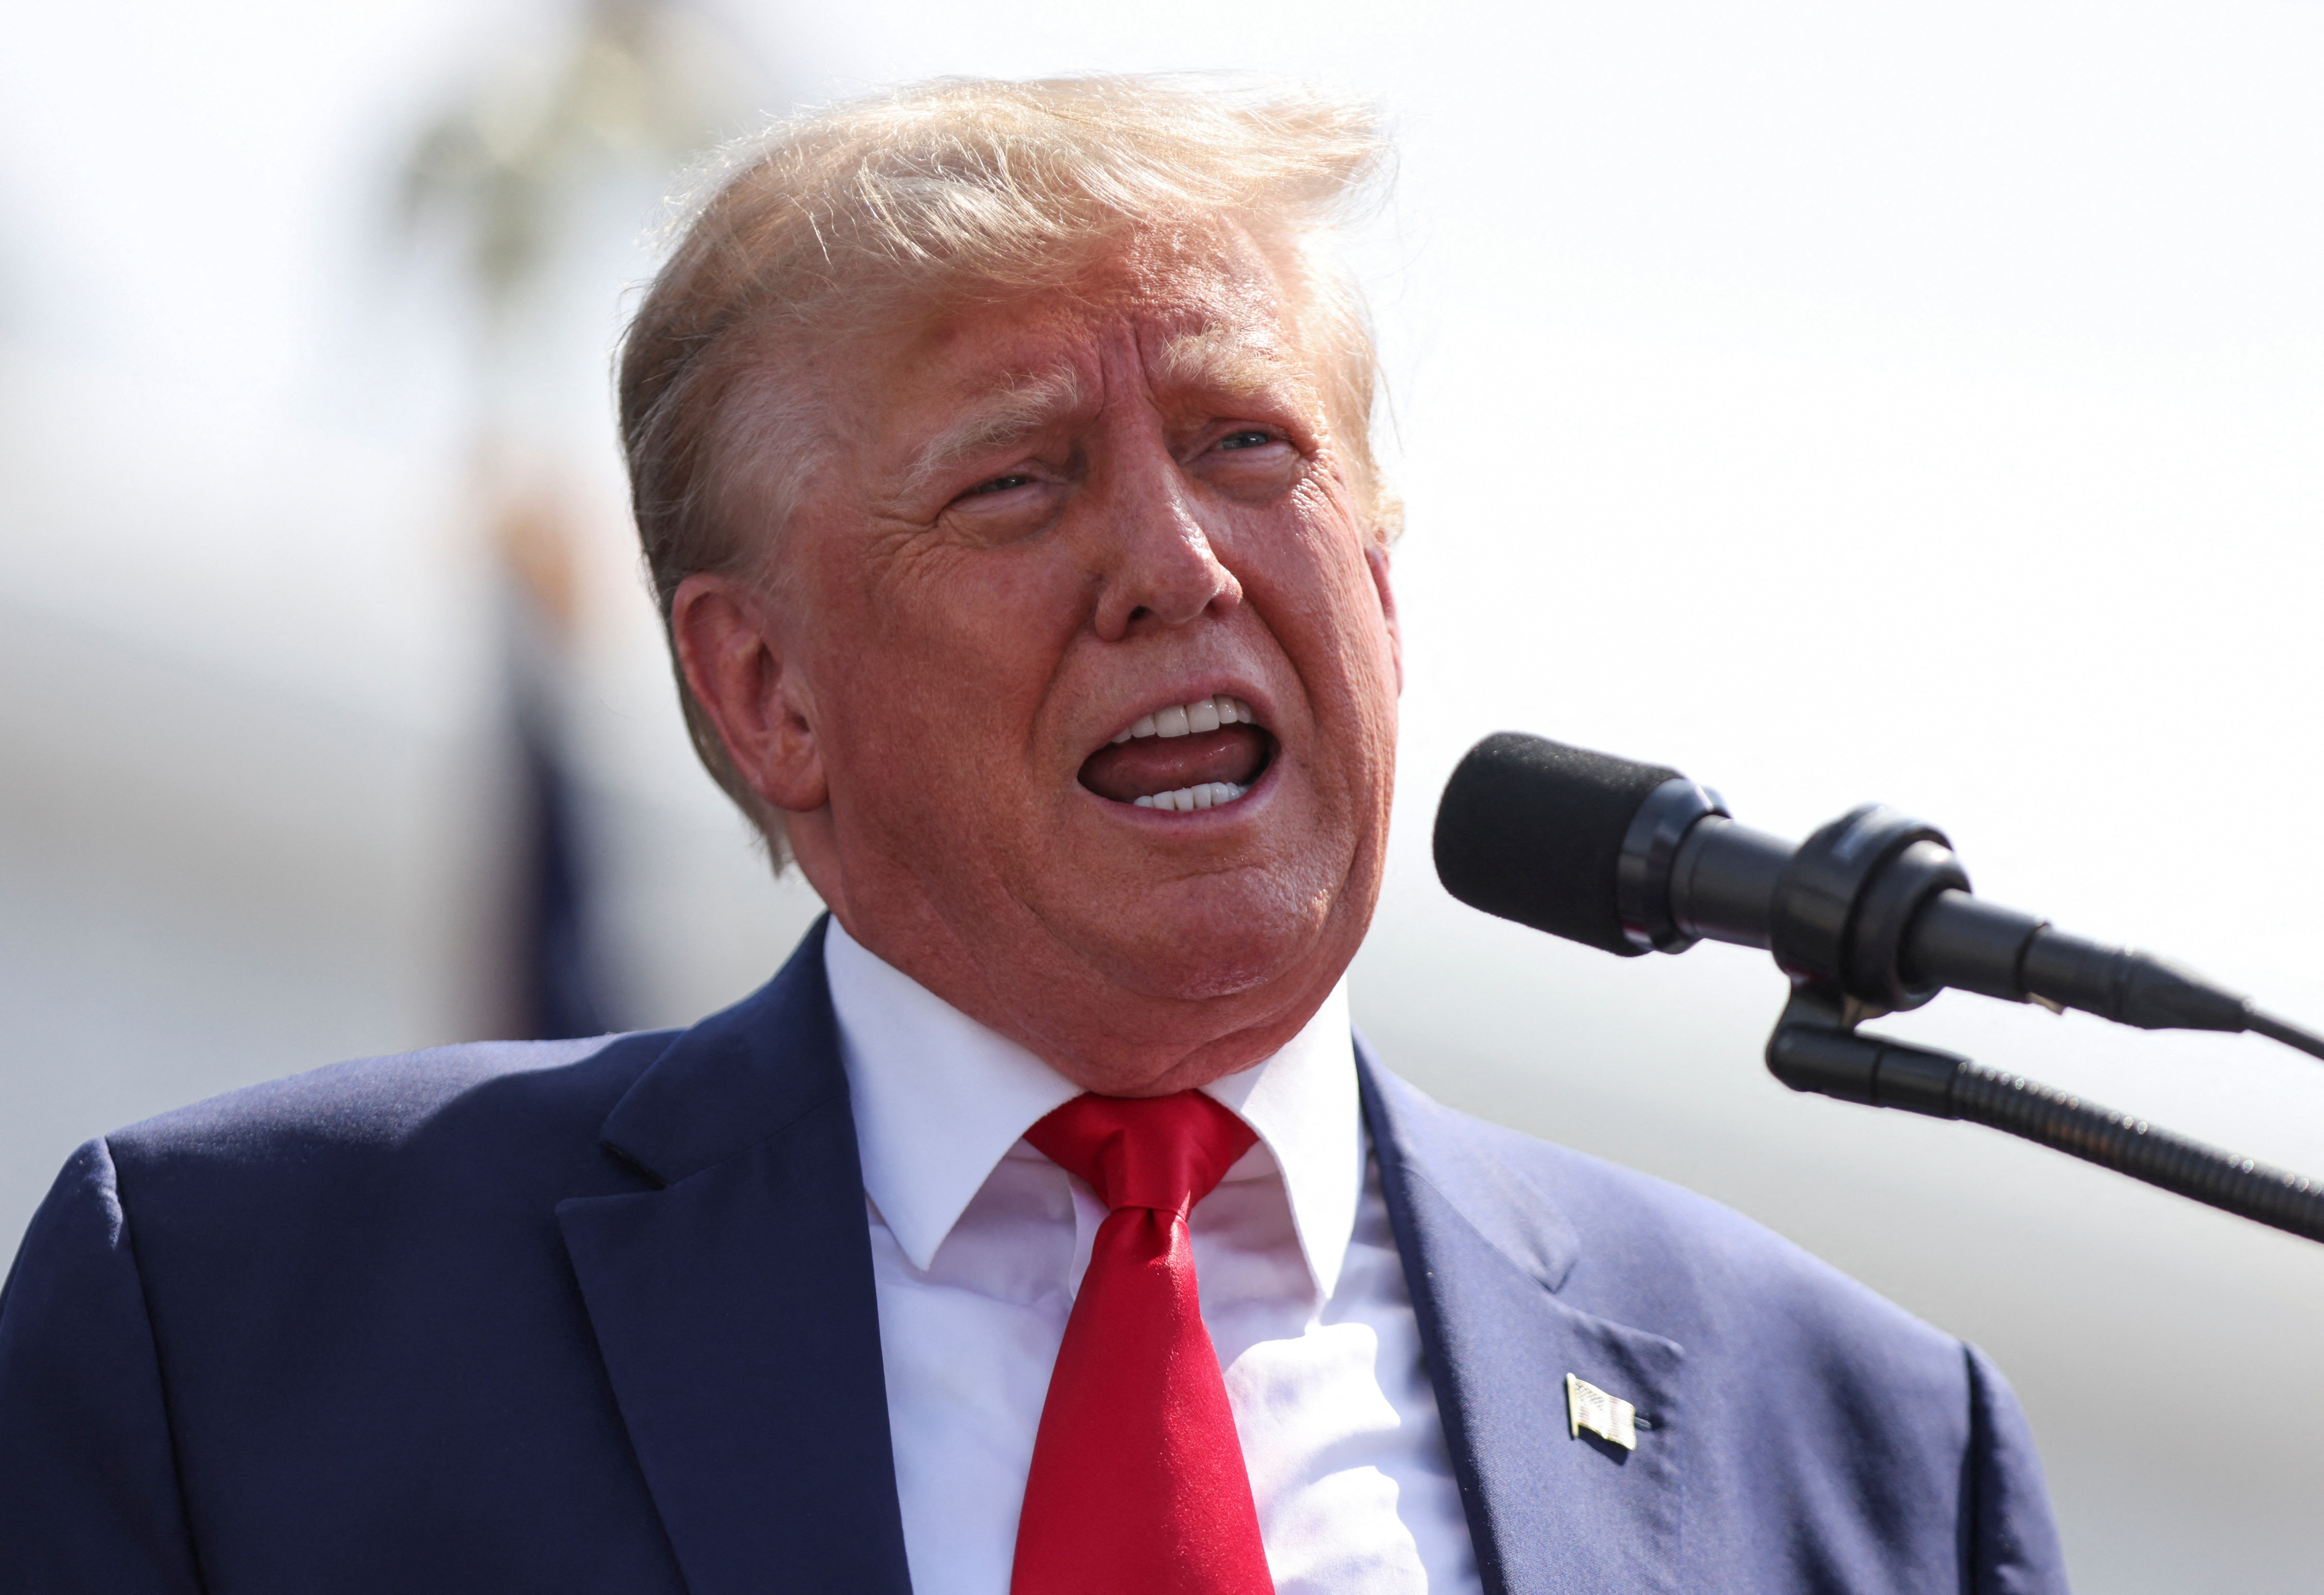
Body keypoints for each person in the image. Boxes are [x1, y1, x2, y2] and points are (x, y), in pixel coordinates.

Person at [0, 76, 2068, 1594]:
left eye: (1251, 443)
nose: (1176, 566)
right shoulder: (242, 1319)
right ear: (761, 690)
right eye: (1018, 482)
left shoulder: (1860, 1457)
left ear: (1382, 578)